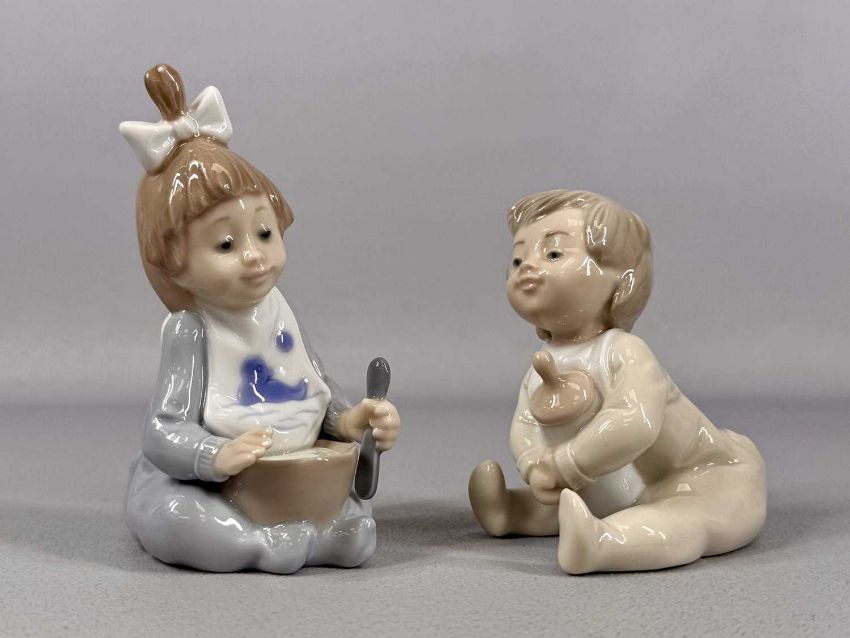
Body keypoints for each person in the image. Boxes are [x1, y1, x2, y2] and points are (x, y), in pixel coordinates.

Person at [120, 64, 400, 572]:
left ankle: (313, 531)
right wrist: (212, 456)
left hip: (286, 474)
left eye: (265, 233)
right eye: (226, 244)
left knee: (349, 509)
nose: (254, 255)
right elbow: (162, 430)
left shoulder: (277, 310)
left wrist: (350, 420)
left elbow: (311, 385)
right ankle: (259, 543)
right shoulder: (192, 329)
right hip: (217, 484)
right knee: (176, 513)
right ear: (174, 262)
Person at [469, 190, 765, 574]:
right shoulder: (545, 362)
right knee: (575, 497)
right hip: (625, 480)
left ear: (620, 280)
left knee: (687, 517)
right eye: (517, 259)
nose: (528, 266)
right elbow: (525, 423)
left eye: (553, 253)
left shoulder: (623, 352)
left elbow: (634, 422)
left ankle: (605, 544)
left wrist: (564, 463)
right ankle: (513, 511)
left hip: (700, 474)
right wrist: (533, 463)